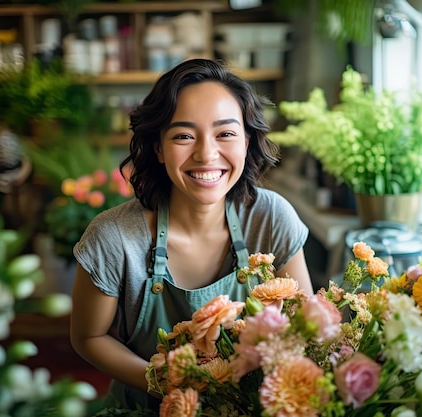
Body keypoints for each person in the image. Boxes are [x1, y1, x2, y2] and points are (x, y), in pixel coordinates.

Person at [69, 58, 313, 409]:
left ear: (246, 141)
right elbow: (88, 337)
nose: (206, 154)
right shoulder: (114, 238)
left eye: (225, 133)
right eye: (184, 135)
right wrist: (164, 385)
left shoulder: (271, 218)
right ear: (158, 148)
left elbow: (304, 330)